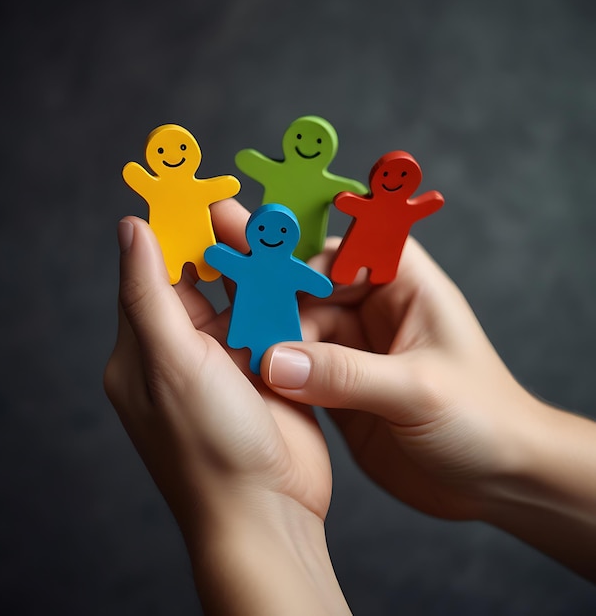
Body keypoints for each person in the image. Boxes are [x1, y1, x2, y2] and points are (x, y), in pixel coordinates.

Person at [104, 199, 596, 615]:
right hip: (258, 325)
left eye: (278, 229)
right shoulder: (257, 261)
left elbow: (315, 284)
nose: (271, 233)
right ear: (257, 232)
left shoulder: (279, 265)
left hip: (269, 326)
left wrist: (262, 514)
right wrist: (512, 465)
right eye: (266, 229)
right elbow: (244, 265)